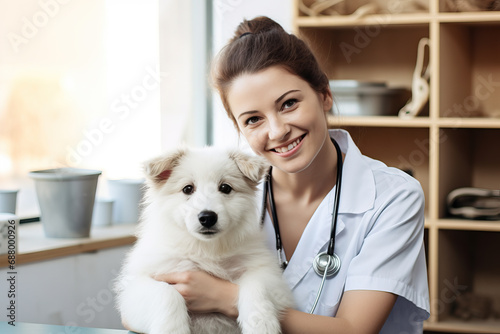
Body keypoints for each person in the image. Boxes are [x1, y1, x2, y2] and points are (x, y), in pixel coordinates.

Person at [155, 16, 430, 333]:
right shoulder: (221, 197)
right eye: (253, 120)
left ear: (324, 94)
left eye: (289, 103)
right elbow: (150, 297)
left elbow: (355, 329)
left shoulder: (394, 197)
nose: (277, 131)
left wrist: (230, 298)